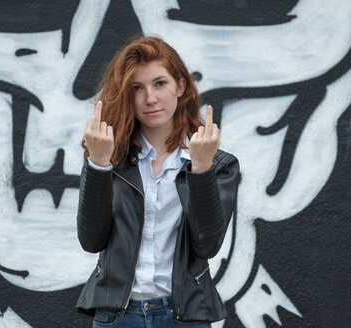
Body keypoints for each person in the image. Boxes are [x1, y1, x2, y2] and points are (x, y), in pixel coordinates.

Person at [76, 35, 240, 327]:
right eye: (137, 88)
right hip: (118, 317)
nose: (149, 98)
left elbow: (207, 246)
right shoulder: (110, 157)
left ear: (180, 86)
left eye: (159, 84)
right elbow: (91, 240)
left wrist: (201, 168)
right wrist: (98, 163)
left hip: (182, 316)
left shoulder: (219, 164)